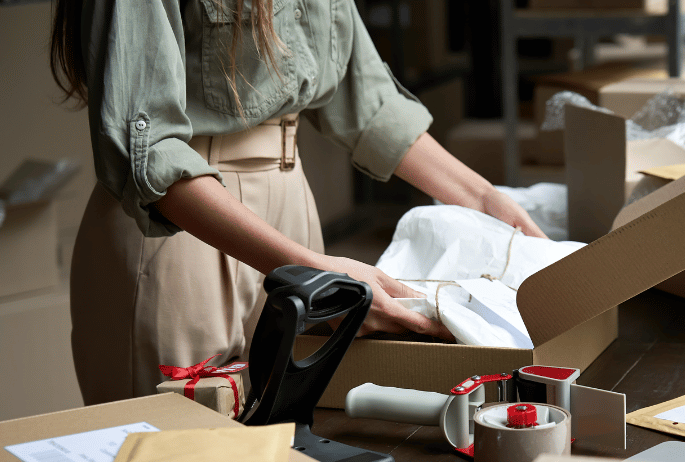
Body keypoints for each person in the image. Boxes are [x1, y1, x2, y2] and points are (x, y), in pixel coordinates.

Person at [50, 0, 547, 405]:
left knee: (291, 457)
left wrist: (485, 199)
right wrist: (316, 274)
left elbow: (365, 98)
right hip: (181, 225)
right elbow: (151, 149)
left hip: (290, 206)